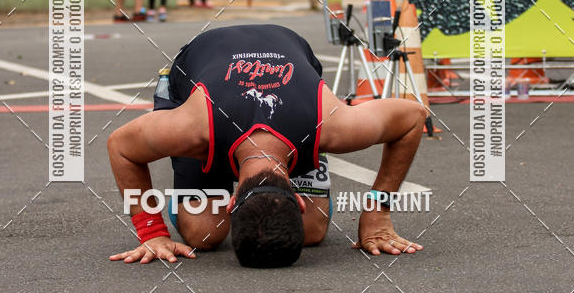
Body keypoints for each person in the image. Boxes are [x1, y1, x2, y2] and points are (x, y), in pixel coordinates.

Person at [108, 23, 425, 269]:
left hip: (287, 50)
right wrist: (150, 231)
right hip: (198, 72)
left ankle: (306, 156)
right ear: (231, 203)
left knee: (311, 232)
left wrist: (377, 213)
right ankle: (304, 156)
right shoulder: (192, 129)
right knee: (204, 234)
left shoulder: (334, 125)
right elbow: (120, 146)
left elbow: (414, 118)